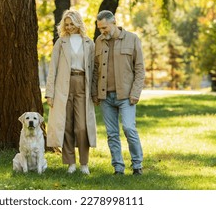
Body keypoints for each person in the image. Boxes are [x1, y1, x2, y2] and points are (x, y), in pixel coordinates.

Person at [92, 10, 145, 176]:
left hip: (127, 96)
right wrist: (95, 92)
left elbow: (140, 69)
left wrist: (135, 93)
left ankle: (137, 165)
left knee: (129, 128)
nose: (103, 31)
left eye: (105, 27)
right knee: (112, 134)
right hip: (106, 97)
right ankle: (118, 168)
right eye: (100, 28)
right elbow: (95, 70)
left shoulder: (132, 39)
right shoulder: (99, 42)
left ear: (113, 22)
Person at [45, 9, 97, 174]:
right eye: (66, 25)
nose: (69, 27)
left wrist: (95, 92)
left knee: (82, 127)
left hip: (82, 84)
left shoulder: (89, 43)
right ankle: (71, 164)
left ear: (78, 23)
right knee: (66, 125)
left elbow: (94, 70)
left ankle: (84, 163)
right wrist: (50, 93)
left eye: (72, 24)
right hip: (63, 87)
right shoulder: (61, 43)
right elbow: (53, 68)